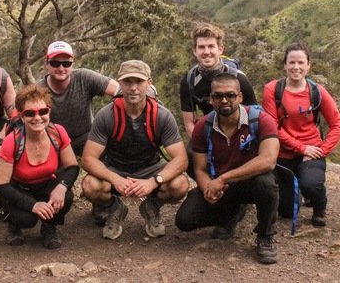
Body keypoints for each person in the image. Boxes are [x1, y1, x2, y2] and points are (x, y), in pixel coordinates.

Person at [175, 73, 280, 264]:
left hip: (249, 183)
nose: (224, 100)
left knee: (266, 183)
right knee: (185, 220)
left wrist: (223, 179)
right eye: (218, 96)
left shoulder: (261, 120)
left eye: (230, 95)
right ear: (210, 98)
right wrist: (208, 188)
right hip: (222, 186)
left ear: (240, 96)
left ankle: (265, 234)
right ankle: (231, 214)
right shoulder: (203, 126)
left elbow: (268, 160)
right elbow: (200, 168)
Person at [81, 60, 188, 240]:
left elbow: (181, 159)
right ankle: (115, 207)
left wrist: (154, 182)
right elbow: (88, 159)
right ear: (120, 83)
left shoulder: (161, 115)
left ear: (149, 83)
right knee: (90, 186)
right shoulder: (107, 115)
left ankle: (152, 206)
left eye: (138, 82)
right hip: (115, 167)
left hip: (150, 168)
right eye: (127, 82)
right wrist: (115, 179)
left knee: (180, 185)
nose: (133, 88)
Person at [262, 42, 340, 227]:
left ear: (308, 65)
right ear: (285, 65)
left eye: (300, 62)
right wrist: (300, 147)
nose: (296, 67)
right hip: (283, 154)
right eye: (291, 62)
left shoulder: (317, 91)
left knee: (311, 185)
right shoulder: (272, 90)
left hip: (312, 151)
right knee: (287, 212)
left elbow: (337, 124)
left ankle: (319, 204)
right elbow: (272, 127)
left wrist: (322, 150)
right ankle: (297, 192)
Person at [0, 85, 79, 249]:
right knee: (27, 219)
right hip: (16, 187)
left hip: (45, 183)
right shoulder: (12, 141)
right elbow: (1, 185)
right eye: (30, 113)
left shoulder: (57, 132)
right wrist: (33, 205)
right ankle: (14, 224)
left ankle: (49, 226)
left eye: (43, 111)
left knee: (65, 198)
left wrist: (62, 187)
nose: (37, 117)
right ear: (22, 116)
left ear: (49, 111)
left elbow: (73, 167)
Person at [37, 40, 119, 156]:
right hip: (54, 143)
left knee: (116, 154)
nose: (61, 68)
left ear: (72, 64)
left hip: (87, 138)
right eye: (55, 63)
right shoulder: (39, 90)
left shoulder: (84, 77)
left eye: (66, 64)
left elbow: (119, 90)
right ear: (46, 64)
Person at [179, 22, 256, 139]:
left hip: (239, 136)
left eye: (211, 46)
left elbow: (254, 118)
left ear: (220, 49)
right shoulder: (189, 81)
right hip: (208, 134)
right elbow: (189, 123)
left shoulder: (239, 79)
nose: (206, 52)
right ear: (195, 51)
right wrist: (202, 145)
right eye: (201, 47)